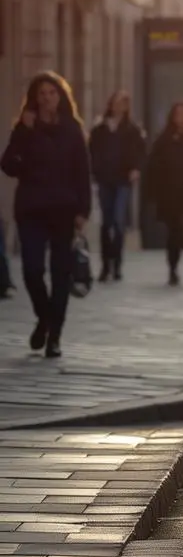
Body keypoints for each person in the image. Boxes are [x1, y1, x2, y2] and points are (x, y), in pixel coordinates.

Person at [1, 72, 91, 358]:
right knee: (31, 271)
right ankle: (45, 317)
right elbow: (8, 166)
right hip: (31, 210)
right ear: (34, 98)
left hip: (64, 210)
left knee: (60, 274)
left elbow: (82, 172)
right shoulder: (25, 127)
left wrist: (83, 210)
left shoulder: (73, 128)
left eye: (52, 93)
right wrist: (24, 132)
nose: (46, 98)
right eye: (41, 93)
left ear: (60, 96)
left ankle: (55, 335)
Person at [88, 91, 147, 282]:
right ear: (110, 104)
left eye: (123, 103)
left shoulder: (132, 129)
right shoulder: (100, 128)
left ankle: (117, 264)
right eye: (116, 102)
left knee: (118, 222)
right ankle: (106, 266)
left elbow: (140, 152)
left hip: (123, 180)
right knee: (106, 223)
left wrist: (136, 169)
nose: (119, 106)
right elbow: (92, 151)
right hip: (105, 179)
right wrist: (95, 170)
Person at [146, 102, 183, 285]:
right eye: (177, 114)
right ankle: (173, 267)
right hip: (169, 193)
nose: (181, 118)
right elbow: (154, 164)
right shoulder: (165, 138)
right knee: (173, 231)